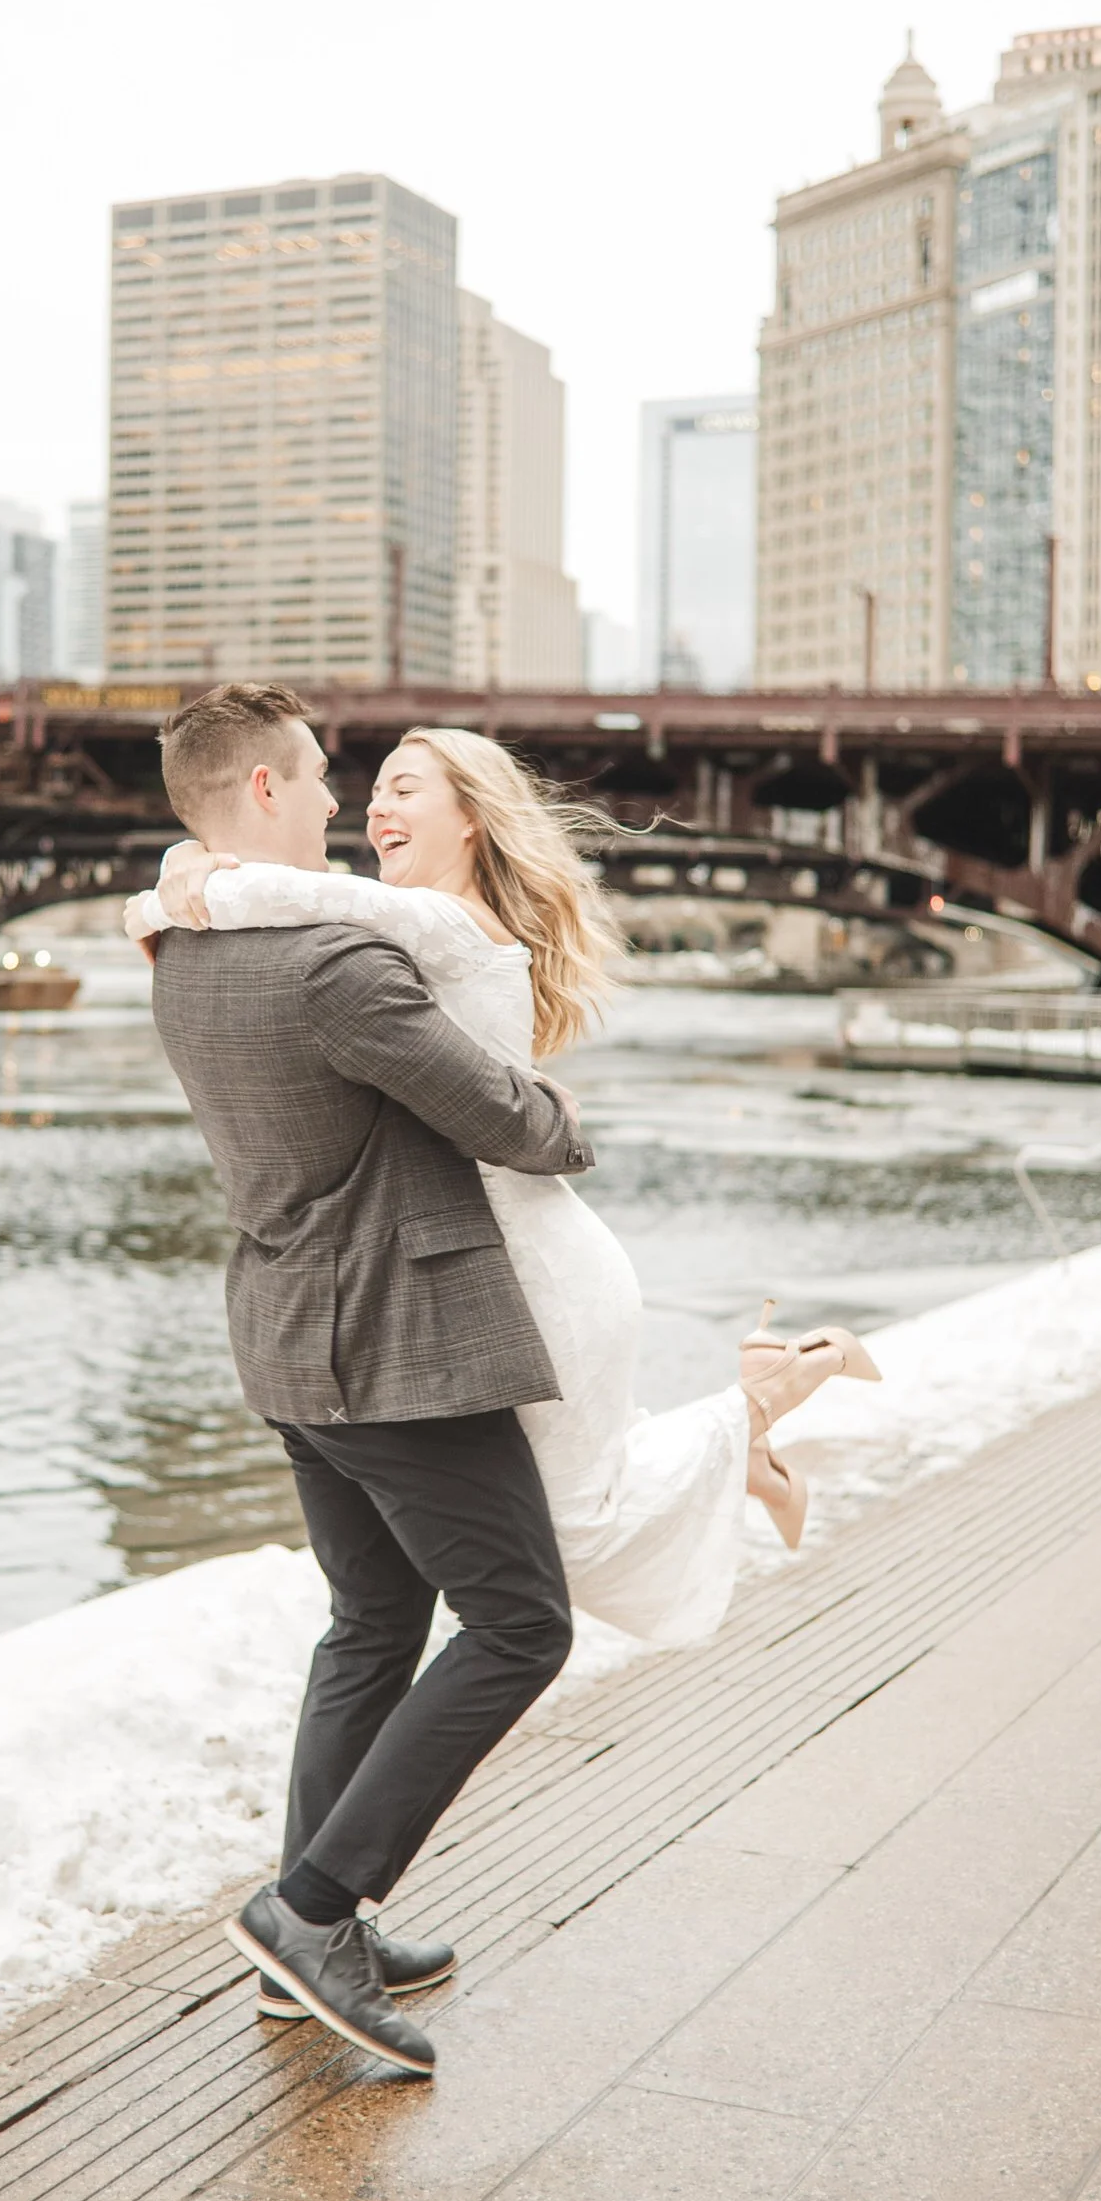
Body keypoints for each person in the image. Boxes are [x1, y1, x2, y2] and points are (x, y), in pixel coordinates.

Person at [131, 723, 880, 1636]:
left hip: (524, 1268)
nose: (369, 806)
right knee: (561, 1530)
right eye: (376, 792)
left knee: (567, 1542)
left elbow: (284, 893)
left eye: (405, 790)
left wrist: (186, 878)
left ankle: (778, 1390)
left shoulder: (439, 920)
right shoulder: (394, 919)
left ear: (474, 821)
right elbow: (296, 900)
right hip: (485, 1261)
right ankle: (752, 1447)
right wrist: (187, 868)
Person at [134, 683, 598, 2082]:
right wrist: (563, 1113)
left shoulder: (184, 949)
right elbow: (510, 1124)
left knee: (373, 1622)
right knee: (520, 1624)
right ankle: (315, 1908)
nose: (340, 800)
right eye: (323, 778)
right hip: (400, 1342)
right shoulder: (334, 966)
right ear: (264, 792)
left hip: (288, 1334)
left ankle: (304, 1937)